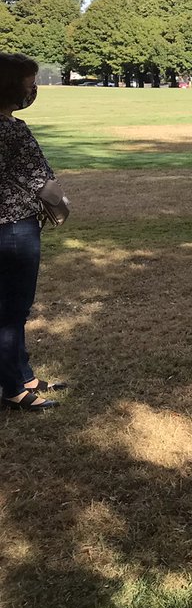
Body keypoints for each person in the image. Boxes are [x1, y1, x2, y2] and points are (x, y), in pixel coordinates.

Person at [0, 53, 65, 411]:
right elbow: (45, 185)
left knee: (8, 309)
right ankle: (14, 388)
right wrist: (62, 207)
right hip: (14, 231)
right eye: (29, 84)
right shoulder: (12, 130)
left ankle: (23, 374)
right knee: (13, 311)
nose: (33, 90)